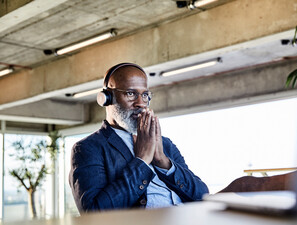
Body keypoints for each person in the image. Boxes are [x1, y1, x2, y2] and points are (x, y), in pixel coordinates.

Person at [69, 63, 209, 213]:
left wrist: (163, 161)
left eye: (144, 95)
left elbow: (202, 196)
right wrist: (142, 161)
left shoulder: (165, 144)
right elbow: (94, 213)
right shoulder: (88, 148)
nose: (140, 103)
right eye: (130, 94)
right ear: (106, 98)